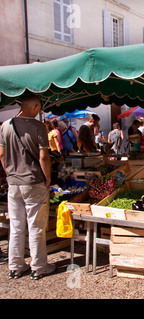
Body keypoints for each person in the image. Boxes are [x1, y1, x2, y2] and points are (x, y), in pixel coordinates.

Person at [0, 93, 55, 280]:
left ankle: (15, 266)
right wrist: (47, 178)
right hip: (33, 182)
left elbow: (1, 154)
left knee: (15, 226)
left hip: (13, 183)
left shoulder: (5, 125)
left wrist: (9, 172)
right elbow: (43, 157)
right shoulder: (39, 126)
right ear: (36, 108)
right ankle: (38, 267)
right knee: (35, 226)